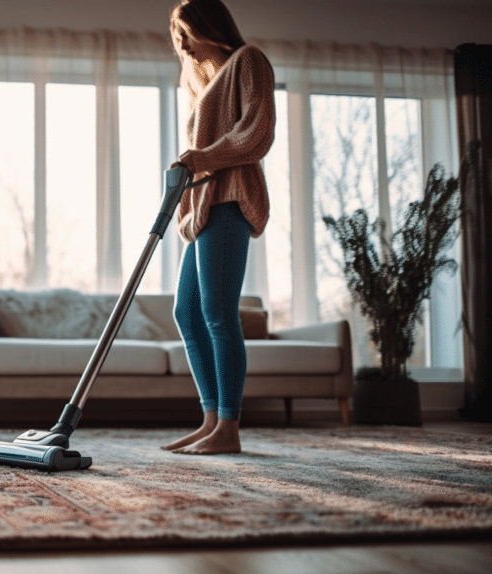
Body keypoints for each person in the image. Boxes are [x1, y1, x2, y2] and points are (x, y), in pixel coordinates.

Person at [161, 0, 275, 455]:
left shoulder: (249, 61)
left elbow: (257, 132)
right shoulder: (201, 86)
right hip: (207, 206)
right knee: (186, 312)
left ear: (209, 24)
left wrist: (202, 158)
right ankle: (210, 420)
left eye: (187, 31)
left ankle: (229, 427)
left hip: (230, 200)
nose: (182, 43)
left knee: (217, 313)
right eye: (177, 35)